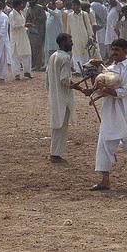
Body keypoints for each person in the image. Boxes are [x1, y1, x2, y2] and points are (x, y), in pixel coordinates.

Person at [86, 38, 127, 191]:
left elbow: (122, 92)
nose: (114, 53)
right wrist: (92, 89)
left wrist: (104, 89)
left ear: (125, 51)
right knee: (104, 144)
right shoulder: (108, 69)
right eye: (113, 49)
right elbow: (101, 86)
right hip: (110, 113)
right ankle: (105, 180)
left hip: (125, 112)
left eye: (117, 50)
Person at [46, 33, 77, 163]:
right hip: (63, 97)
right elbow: (65, 80)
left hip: (54, 95)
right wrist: (78, 87)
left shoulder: (53, 56)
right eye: (70, 41)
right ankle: (55, 154)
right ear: (64, 42)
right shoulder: (65, 58)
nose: (72, 43)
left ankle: (54, 152)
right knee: (61, 125)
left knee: (57, 124)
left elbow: (47, 78)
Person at [65, 0, 94, 73]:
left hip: (84, 37)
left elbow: (88, 26)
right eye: (72, 5)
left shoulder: (84, 14)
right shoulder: (70, 16)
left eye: (74, 5)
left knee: (85, 52)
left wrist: (90, 36)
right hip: (74, 37)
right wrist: (68, 37)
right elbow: (68, 28)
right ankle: (78, 70)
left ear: (79, 6)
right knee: (76, 53)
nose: (73, 7)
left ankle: (86, 69)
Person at [9, 0, 33, 80]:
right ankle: (16, 74)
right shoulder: (12, 14)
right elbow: (13, 26)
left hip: (23, 37)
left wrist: (25, 27)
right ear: (17, 5)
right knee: (15, 56)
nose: (23, 6)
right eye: (21, 4)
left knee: (27, 54)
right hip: (16, 38)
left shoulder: (21, 13)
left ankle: (27, 72)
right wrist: (24, 25)